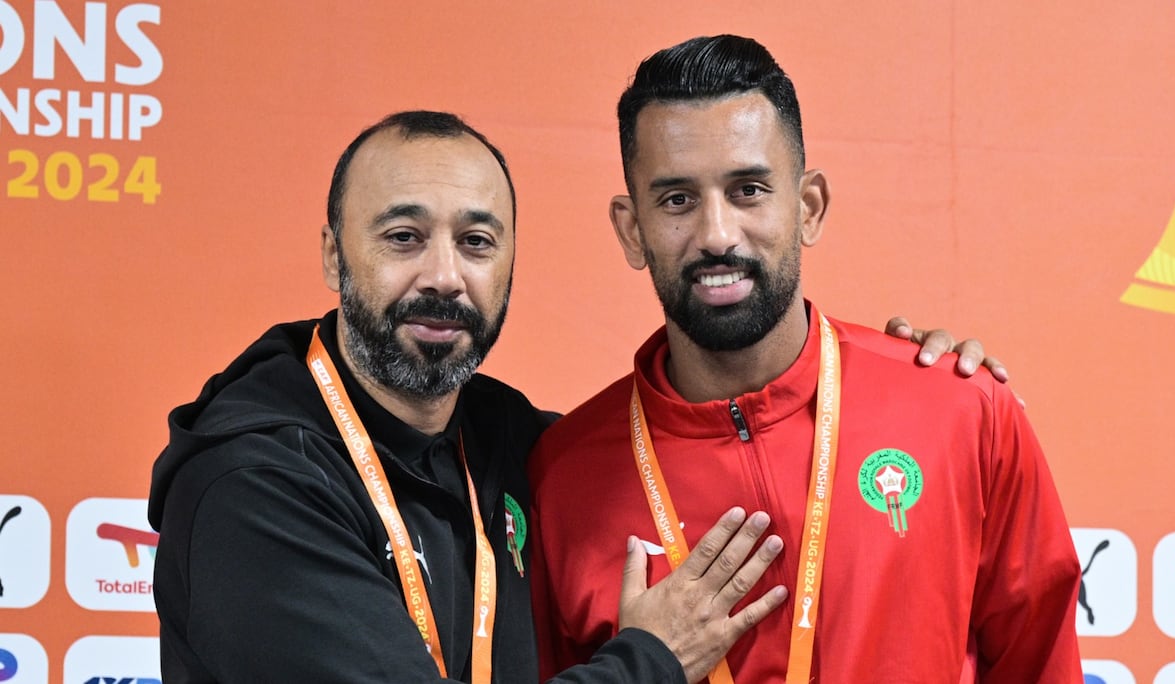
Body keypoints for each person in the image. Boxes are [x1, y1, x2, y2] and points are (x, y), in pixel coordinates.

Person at [148, 110, 1008, 682]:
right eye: (403, 238)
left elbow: (680, 435)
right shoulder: (253, 484)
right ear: (335, 256)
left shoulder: (514, 447)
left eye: (476, 241)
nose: (444, 276)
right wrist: (652, 659)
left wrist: (899, 382)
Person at [527, 35, 1082, 683]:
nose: (717, 235)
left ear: (808, 207)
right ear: (632, 230)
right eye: (677, 200)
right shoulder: (563, 478)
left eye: (748, 190)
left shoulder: (962, 411)